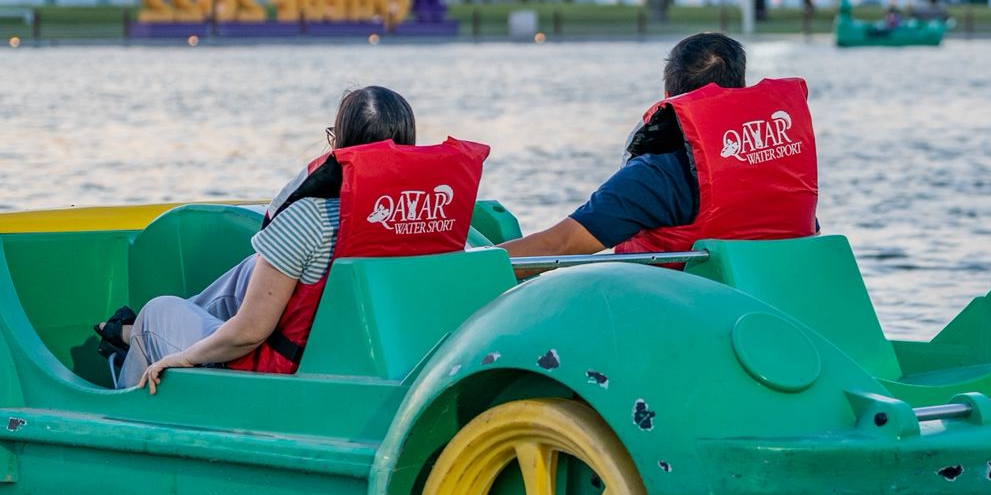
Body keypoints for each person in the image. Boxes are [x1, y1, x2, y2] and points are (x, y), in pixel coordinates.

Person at [100, 86, 489, 392]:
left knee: (156, 313)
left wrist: (183, 358)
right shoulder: (428, 216)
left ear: (341, 143)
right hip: (379, 358)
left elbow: (251, 332)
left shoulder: (309, 217)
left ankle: (126, 389)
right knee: (254, 268)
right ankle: (141, 335)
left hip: (281, 373)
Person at [500, 32, 817, 259]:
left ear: (669, 98)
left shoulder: (658, 175)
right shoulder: (785, 161)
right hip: (774, 312)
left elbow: (559, 245)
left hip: (685, 318)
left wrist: (465, 268)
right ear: (741, 90)